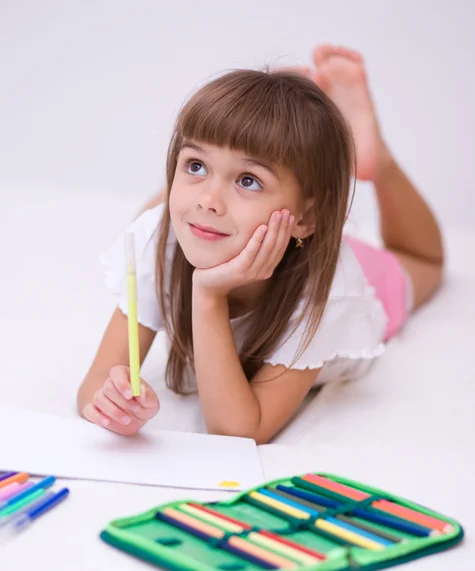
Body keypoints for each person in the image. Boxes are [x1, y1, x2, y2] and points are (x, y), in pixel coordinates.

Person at [77, 45, 444, 444]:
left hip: (317, 261)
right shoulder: (157, 242)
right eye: (195, 165)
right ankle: (294, 147)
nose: (208, 200)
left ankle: (378, 161)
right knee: (157, 220)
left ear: (306, 217)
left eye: (248, 179)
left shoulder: (330, 296)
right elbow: (93, 384)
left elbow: (238, 430)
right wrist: (108, 402)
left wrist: (208, 293)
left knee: (422, 260)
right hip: (270, 233)